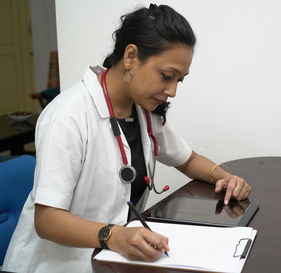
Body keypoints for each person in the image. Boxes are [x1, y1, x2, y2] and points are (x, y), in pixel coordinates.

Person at [3, 4, 252, 273]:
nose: (172, 91)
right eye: (167, 76)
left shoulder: (143, 111)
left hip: (112, 261)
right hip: (55, 266)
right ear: (131, 56)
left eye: (179, 80)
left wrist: (223, 177)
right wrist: (115, 236)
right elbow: (47, 221)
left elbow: (188, 159)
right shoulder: (68, 116)